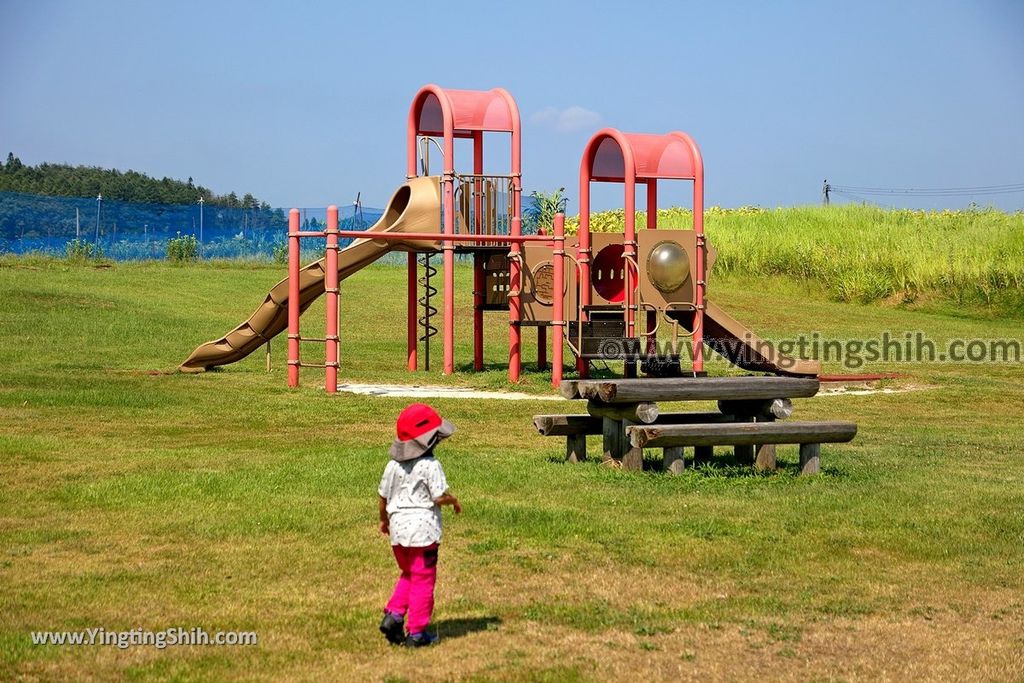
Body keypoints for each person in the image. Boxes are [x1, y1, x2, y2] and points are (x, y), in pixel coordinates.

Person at [378, 403, 462, 647]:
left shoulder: (392, 466)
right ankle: (417, 633)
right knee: (424, 581)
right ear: (431, 440)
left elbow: (382, 496)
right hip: (423, 534)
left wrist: (384, 521)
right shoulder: (430, 466)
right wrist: (453, 500)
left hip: (398, 532)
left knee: (409, 573)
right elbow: (438, 497)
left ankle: (393, 615)